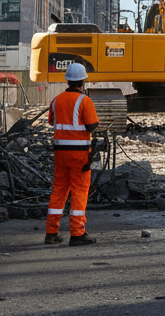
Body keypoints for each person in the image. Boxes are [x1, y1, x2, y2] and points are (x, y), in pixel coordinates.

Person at [45, 62, 99, 246]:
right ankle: (77, 234)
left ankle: (51, 233)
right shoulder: (85, 101)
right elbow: (92, 125)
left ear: (67, 80)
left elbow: (52, 122)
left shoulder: (56, 100)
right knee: (79, 191)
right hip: (79, 155)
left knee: (59, 190)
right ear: (83, 82)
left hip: (60, 154)